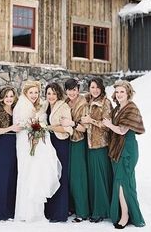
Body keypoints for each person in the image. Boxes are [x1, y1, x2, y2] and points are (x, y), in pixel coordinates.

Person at [13, 80, 61, 222]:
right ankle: (25, 212)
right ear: (25, 93)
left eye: (36, 92)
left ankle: (38, 213)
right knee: (27, 175)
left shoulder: (40, 105)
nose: (34, 95)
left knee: (38, 175)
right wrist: (31, 126)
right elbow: (19, 124)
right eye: (31, 92)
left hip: (39, 142)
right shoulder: (20, 106)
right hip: (25, 143)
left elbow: (43, 123)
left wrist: (39, 127)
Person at [102, 80, 145, 229]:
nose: (119, 94)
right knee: (120, 182)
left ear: (128, 93)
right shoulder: (117, 109)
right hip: (116, 149)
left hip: (127, 150)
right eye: (117, 92)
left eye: (122, 92)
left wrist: (108, 125)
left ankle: (125, 216)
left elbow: (121, 130)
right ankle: (124, 213)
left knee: (123, 182)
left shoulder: (131, 108)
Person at [81, 77, 113, 223]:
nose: (95, 90)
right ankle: (93, 208)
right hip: (87, 145)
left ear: (102, 88)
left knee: (99, 179)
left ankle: (101, 211)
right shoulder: (86, 101)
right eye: (92, 87)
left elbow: (107, 125)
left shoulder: (105, 103)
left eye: (97, 87)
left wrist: (91, 121)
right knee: (92, 179)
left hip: (100, 145)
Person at [0, 86, 21, 221]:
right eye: (6, 96)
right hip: (2, 144)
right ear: (2, 97)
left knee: (13, 177)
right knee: (1, 177)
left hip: (15, 145)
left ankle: (10, 211)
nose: (9, 99)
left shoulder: (17, 110)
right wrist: (10, 128)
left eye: (11, 96)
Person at [60, 78, 89, 222]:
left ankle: (82, 211)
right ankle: (72, 206)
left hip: (78, 142)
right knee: (69, 177)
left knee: (78, 177)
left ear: (78, 90)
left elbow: (84, 128)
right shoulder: (64, 103)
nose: (72, 92)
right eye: (69, 89)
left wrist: (71, 123)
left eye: (74, 89)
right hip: (66, 141)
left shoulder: (83, 104)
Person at [44, 82, 73, 223]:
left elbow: (68, 130)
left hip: (61, 144)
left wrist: (49, 127)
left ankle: (60, 213)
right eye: (49, 93)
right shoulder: (45, 106)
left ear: (59, 94)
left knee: (61, 177)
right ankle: (49, 210)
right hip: (49, 145)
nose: (51, 96)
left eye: (54, 93)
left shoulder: (63, 106)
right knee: (51, 176)